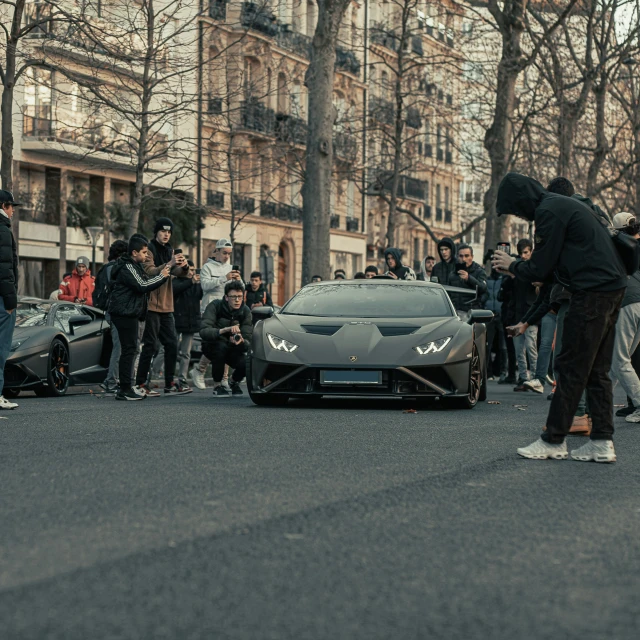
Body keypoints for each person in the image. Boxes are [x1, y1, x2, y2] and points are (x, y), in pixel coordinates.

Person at [492, 172, 627, 463]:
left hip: (591, 292)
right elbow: (556, 263)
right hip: (612, 287)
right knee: (596, 369)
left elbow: (540, 267)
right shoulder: (560, 205)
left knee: (571, 365)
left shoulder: (547, 211)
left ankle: (554, 440)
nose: (519, 214)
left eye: (516, 208)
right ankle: (602, 442)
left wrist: (513, 264)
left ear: (522, 199)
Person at [108, 235, 171, 401]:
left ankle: (126, 387)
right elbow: (142, 286)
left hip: (129, 313)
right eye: (143, 252)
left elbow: (143, 282)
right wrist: (162, 275)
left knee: (131, 349)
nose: (145, 256)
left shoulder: (133, 266)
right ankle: (125, 389)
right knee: (129, 349)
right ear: (134, 252)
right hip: (124, 313)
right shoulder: (127, 267)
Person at [135, 217, 192, 396]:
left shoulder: (170, 250)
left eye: (169, 232)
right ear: (156, 232)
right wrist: (170, 264)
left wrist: (184, 267)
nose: (166, 234)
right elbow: (150, 271)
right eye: (163, 231)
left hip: (167, 305)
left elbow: (178, 273)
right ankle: (142, 383)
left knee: (172, 344)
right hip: (151, 304)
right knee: (150, 345)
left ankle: (169, 383)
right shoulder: (149, 249)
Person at [191, 239, 242, 390]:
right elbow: (205, 285)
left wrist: (239, 281)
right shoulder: (207, 267)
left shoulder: (231, 268)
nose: (227, 256)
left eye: (229, 254)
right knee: (214, 342)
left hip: (227, 310)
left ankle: (224, 378)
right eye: (224, 253)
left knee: (226, 343)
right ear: (217, 252)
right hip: (210, 310)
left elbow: (240, 289)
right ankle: (199, 369)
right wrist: (223, 278)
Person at [607, 213, 640, 423]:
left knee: (619, 360)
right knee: (619, 359)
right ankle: (596, 403)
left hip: (628, 301)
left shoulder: (618, 246)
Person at [200, 280, 253, 397]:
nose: (237, 300)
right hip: (212, 345)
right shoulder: (215, 306)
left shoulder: (245, 311)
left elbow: (248, 338)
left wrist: (241, 341)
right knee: (220, 348)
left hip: (233, 347)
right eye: (233, 297)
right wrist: (223, 330)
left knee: (247, 362)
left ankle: (233, 382)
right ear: (226, 297)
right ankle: (217, 385)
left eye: (239, 296)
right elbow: (204, 331)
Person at [508, 282, 556, 395]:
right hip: (549, 313)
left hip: (564, 309)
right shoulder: (543, 286)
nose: (532, 282)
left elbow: (544, 304)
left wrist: (525, 324)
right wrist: (522, 323)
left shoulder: (553, 277)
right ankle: (539, 380)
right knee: (545, 344)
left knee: (558, 347)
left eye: (535, 279)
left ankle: (558, 383)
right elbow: (538, 303)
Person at [95, 239, 129, 394]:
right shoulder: (115, 268)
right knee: (119, 347)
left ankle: (113, 380)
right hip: (116, 311)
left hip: (110, 311)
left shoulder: (106, 268)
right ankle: (111, 381)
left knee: (119, 346)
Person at [510, 239, 538, 391]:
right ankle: (523, 378)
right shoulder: (518, 268)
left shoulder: (534, 268)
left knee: (530, 347)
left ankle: (534, 378)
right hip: (518, 312)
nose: (523, 256)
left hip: (530, 314)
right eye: (521, 253)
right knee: (519, 349)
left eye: (526, 252)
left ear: (531, 252)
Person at [0, 190, 19, 410]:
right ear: (4, 206)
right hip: (2, 298)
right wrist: (11, 301)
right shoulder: (3, 230)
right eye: (11, 206)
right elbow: (5, 268)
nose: (13, 210)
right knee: (2, 347)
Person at [172, 260, 203, 386]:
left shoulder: (196, 284)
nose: (192, 272)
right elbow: (176, 290)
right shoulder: (177, 282)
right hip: (176, 320)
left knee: (186, 353)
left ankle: (182, 378)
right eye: (190, 270)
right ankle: (158, 373)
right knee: (169, 349)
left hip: (190, 322)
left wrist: (199, 284)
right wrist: (191, 282)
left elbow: (199, 296)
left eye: (194, 270)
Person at [447, 244, 487, 316]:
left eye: (466, 256)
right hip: (455, 312)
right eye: (461, 256)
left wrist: (469, 278)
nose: (464, 259)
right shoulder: (452, 274)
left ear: (472, 257)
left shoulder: (479, 271)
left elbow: (483, 289)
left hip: (472, 312)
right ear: (457, 257)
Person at [485, 266, 508, 381]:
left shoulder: (504, 279)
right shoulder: (487, 279)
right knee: (487, 345)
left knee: (503, 346)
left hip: (501, 314)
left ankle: (503, 371)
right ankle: (488, 373)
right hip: (489, 315)